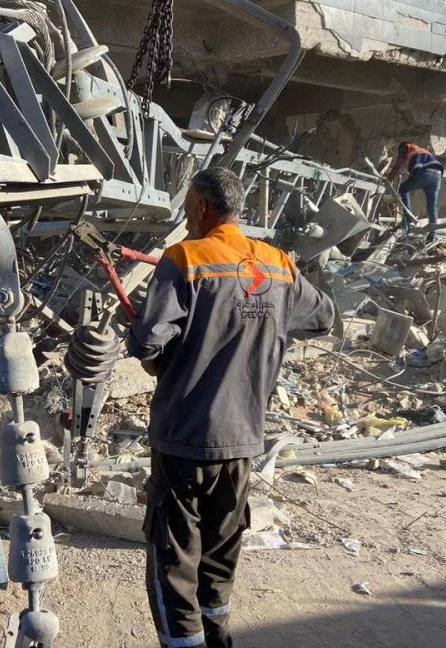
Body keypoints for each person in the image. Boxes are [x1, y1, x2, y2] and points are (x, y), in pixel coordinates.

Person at [127, 167, 335, 648]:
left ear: (202, 207)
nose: (186, 220)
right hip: (242, 442)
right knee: (219, 558)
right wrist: (263, 328)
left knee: (174, 562)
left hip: (184, 440)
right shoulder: (278, 264)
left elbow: (147, 343)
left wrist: (145, 329)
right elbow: (323, 318)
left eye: (187, 209)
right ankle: (218, 639)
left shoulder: (185, 258)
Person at [386, 141, 444, 240]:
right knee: (432, 205)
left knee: (403, 189)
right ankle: (432, 233)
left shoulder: (405, 147)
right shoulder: (421, 152)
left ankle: (407, 217)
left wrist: (387, 181)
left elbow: (397, 166)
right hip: (437, 175)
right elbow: (408, 168)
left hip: (425, 173)